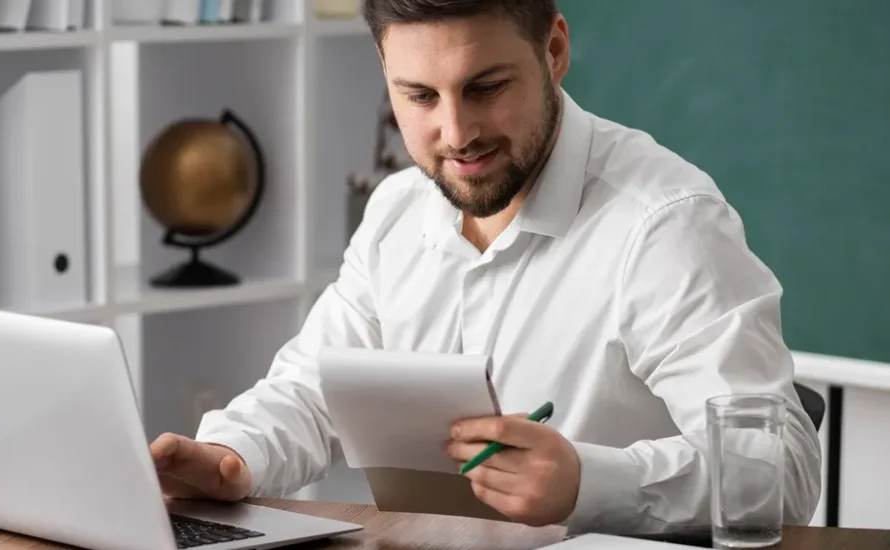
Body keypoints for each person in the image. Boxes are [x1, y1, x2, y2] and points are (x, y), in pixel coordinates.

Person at [148, 0, 822, 535]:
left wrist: (587, 482)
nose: (457, 132)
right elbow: (314, 390)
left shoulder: (664, 224)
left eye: (486, 87)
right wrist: (234, 457)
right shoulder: (398, 209)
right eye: (418, 97)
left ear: (554, 51)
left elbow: (782, 469)